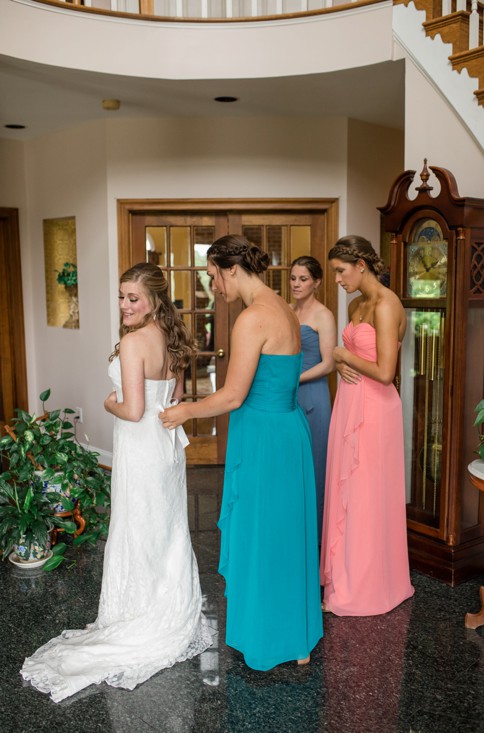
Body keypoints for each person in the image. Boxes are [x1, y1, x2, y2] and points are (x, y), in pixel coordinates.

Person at [21, 262, 215, 702]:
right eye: (122, 296)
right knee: (164, 527)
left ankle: (139, 612)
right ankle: (167, 608)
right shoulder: (173, 338)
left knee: (137, 526)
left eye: (134, 298)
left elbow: (130, 409)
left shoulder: (132, 343)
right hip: (164, 447)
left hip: (142, 448)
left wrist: (108, 402)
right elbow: (177, 398)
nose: (125, 305)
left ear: (154, 300)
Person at [160, 234, 322, 670]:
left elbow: (232, 396)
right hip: (290, 430)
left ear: (231, 268)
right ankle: (299, 640)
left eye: (213, 275)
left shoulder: (252, 318)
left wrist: (185, 411)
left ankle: (267, 638)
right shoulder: (285, 309)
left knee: (263, 534)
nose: (214, 286)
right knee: (287, 533)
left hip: (265, 437)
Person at [320, 235, 414, 616]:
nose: (339, 280)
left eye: (341, 272)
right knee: (347, 490)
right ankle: (344, 576)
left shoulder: (387, 306)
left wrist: (342, 354)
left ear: (362, 265)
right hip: (348, 401)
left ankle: (369, 584)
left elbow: (386, 372)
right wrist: (341, 363)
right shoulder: (357, 305)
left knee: (366, 496)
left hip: (375, 410)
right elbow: (356, 357)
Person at [289, 255, 336, 545]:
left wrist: (293, 380)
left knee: (316, 467)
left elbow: (329, 364)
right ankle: (295, 537)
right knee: (292, 467)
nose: (296, 283)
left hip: (314, 395)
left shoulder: (323, 315)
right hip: (288, 395)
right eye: (293, 278)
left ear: (316, 282)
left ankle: (316, 545)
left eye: (303, 278)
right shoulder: (287, 311)